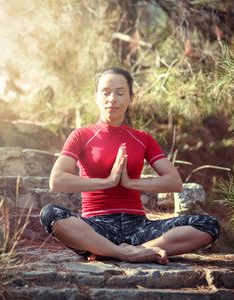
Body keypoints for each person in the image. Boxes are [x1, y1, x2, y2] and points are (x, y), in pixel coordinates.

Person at [39, 67, 220, 265]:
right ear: (96, 97)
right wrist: (108, 181)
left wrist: (129, 183)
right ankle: (124, 253)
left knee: (208, 225)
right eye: (105, 92)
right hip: (96, 229)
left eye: (120, 92)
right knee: (50, 214)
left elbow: (174, 182)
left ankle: (128, 250)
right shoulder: (82, 136)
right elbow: (56, 180)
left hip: (139, 228)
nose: (112, 99)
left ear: (131, 98)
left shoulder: (142, 139)